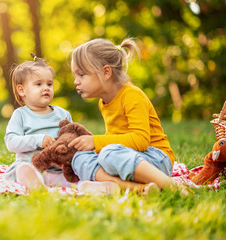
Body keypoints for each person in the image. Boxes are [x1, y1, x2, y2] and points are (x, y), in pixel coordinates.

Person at [69, 38, 183, 194]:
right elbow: (116, 138)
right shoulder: (104, 103)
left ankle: (172, 186)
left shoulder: (132, 95)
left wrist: (96, 142)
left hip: (156, 160)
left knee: (108, 154)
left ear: (106, 72)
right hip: (126, 156)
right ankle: (138, 189)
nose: (76, 81)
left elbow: (140, 140)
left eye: (81, 75)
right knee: (79, 158)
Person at [4, 53, 119, 194]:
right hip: (32, 166)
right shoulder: (20, 115)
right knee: (23, 170)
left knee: (76, 175)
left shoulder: (62, 114)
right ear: (21, 90)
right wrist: (39, 140)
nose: (46, 88)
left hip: (60, 170)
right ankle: (36, 184)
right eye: (38, 84)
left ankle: (91, 187)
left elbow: (71, 137)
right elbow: (11, 142)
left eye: (49, 84)